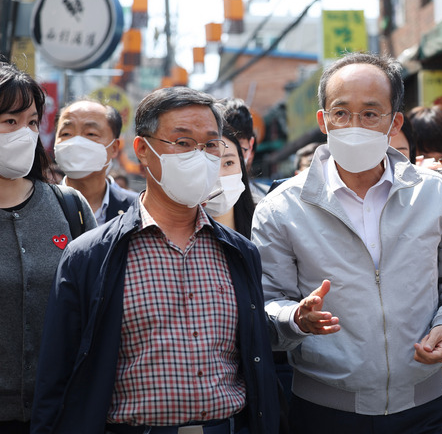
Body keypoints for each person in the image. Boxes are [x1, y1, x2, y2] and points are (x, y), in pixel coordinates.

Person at [252, 52, 442, 434]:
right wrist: (296, 319)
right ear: (323, 121)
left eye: (370, 113)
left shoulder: (435, 194)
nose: (353, 125)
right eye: (341, 113)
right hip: (324, 412)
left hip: (424, 409)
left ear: (394, 123)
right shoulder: (281, 208)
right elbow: (265, 303)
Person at [31, 87, 279, 434]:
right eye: (182, 142)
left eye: (210, 144)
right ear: (143, 151)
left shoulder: (240, 252)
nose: (200, 155)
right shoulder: (90, 256)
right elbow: (57, 378)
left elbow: (255, 360)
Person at [0, 62, 96, 434]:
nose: (25, 134)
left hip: (58, 415)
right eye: (10, 121)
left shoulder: (69, 207)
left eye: (32, 122)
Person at [54, 99, 138, 224]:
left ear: (114, 148)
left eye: (91, 134)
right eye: (66, 133)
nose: (77, 142)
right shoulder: (35, 206)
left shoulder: (137, 209)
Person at [203, 122, 255, 239]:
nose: (219, 176)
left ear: (241, 165)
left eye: (229, 163)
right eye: (208, 166)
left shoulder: (264, 223)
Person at [221, 98, 269, 203]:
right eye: (223, 144)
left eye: (238, 145)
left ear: (250, 146)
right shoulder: (203, 204)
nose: (230, 152)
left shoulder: (268, 201)